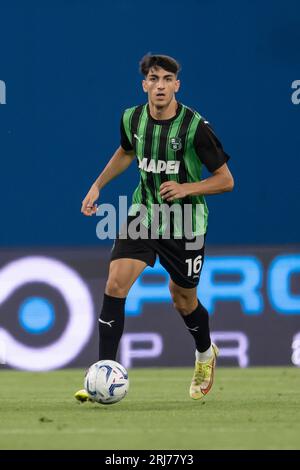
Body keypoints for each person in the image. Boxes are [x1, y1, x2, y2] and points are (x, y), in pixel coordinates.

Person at [75, 54, 234, 402]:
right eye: (153, 78)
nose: (159, 85)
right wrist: (97, 185)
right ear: (144, 84)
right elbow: (126, 152)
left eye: (166, 79)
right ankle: (104, 372)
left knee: (182, 300)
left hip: (185, 223)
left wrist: (186, 188)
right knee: (115, 284)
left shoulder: (194, 127)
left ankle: (205, 353)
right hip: (143, 214)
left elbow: (225, 181)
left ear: (177, 85)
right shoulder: (132, 117)